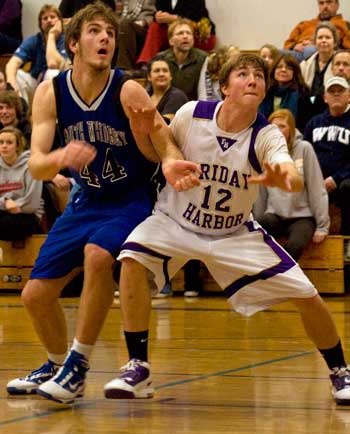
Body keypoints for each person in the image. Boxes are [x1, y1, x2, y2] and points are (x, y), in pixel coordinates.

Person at [102, 54, 350, 405]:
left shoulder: (265, 134)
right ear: (224, 87)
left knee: (308, 296)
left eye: (258, 76)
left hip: (233, 233)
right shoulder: (191, 114)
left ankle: (340, 371)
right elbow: (161, 151)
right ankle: (138, 366)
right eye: (243, 74)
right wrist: (143, 133)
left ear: (265, 89)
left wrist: (285, 177)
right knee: (130, 259)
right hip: (175, 220)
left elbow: (289, 172)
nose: (253, 80)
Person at [6, 2, 200, 404]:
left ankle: (78, 366)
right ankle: (56, 363)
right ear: (73, 43)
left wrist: (167, 161)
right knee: (34, 296)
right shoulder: (51, 91)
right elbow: (39, 165)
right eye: (95, 31)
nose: (105, 39)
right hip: (86, 199)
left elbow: (159, 134)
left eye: (110, 33)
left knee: (98, 256)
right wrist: (61, 158)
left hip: (130, 198)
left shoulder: (125, 86)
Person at [254, 109, 329, 261]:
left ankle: (279, 279)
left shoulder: (304, 148)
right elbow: (260, 192)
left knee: (295, 246)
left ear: (292, 129)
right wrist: (256, 222)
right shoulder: (265, 152)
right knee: (255, 236)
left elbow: (317, 188)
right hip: (274, 215)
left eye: (283, 126)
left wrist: (322, 226)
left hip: (302, 217)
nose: (278, 131)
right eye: (274, 127)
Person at [304, 76, 350, 235]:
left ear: (349, 96)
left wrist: (336, 179)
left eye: (341, 91)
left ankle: (346, 241)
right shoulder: (314, 123)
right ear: (325, 97)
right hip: (316, 177)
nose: (336, 94)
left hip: (344, 178)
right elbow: (304, 153)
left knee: (347, 187)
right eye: (332, 91)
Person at [5, 4, 68, 106]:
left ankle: (53, 115)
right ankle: (22, 113)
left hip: (58, 87)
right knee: (17, 75)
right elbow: (12, 63)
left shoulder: (66, 40)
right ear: (40, 24)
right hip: (36, 82)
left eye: (52, 17)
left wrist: (51, 36)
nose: (49, 20)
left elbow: (52, 63)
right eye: (45, 18)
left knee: (52, 73)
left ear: (60, 21)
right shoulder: (35, 40)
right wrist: (12, 83)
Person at [137, 0, 216, 66]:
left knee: (180, 31)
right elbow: (157, 12)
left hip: (198, 35)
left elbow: (196, 21)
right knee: (155, 26)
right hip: (173, 33)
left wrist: (175, 19)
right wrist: (158, 16)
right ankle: (146, 63)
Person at [0, 126, 43, 241]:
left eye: (9, 142)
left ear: (18, 146)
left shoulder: (31, 166)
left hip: (28, 215)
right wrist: (5, 202)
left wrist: (15, 205)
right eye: (1, 142)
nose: (4, 146)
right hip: (4, 211)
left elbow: (32, 204)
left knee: (7, 224)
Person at [154, 18, 207, 100]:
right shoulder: (161, 58)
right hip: (167, 104)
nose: (185, 36)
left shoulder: (203, 58)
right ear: (171, 41)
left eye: (189, 33)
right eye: (180, 33)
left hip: (191, 106)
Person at [259, 53, 314, 133]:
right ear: (274, 70)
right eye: (279, 67)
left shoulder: (303, 93)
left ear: (294, 72)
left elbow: (305, 124)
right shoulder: (265, 91)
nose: (283, 70)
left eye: (289, 68)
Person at [283, 0, 350, 62]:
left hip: (320, 53)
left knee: (310, 50)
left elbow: (347, 49)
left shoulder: (345, 25)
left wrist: (317, 44)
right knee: (275, 53)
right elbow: (287, 44)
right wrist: (294, 46)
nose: (325, 6)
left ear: (337, 5)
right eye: (321, 3)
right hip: (296, 53)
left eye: (329, 2)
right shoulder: (304, 24)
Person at [300, 21, 337, 117]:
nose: (323, 40)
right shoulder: (304, 65)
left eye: (328, 37)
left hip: (330, 109)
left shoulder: (341, 64)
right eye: (320, 37)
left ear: (335, 42)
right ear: (315, 42)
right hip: (307, 108)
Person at [115, 0, 156, 71]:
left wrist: (144, 22)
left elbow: (158, 13)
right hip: (124, 23)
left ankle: (125, 67)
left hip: (145, 27)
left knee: (125, 24)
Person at [147, 58, 188, 123]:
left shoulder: (177, 96)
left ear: (170, 76)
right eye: (157, 71)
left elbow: (165, 124)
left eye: (165, 71)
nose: (161, 74)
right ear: (149, 77)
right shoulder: (146, 94)